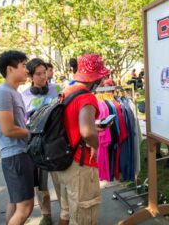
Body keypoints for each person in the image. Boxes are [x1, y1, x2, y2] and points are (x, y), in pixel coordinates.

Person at [56, 53, 110, 225]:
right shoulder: (87, 97)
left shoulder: (67, 91)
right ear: (94, 78)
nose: (102, 81)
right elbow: (87, 133)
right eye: (101, 77)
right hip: (80, 163)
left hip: (64, 160)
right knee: (84, 215)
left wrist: (93, 127)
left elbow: (72, 122)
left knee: (67, 211)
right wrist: (95, 144)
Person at [0, 50, 34, 225]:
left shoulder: (14, 92)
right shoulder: (3, 93)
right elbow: (8, 130)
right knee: (25, 207)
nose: (27, 70)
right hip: (15, 155)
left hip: (20, 153)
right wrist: (34, 132)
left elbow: (18, 125)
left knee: (16, 204)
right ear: (10, 69)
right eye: (23, 66)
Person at [21, 58, 61, 225]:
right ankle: (46, 215)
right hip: (37, 145)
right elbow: (23, 122)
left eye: (45, 72)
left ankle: (66, 212)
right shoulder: (24, 95)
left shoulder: (56, 88)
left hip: (57, 143)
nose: (43, 77)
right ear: (30, 75)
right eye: (38, 74)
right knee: (42, 184)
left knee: (60, 181)